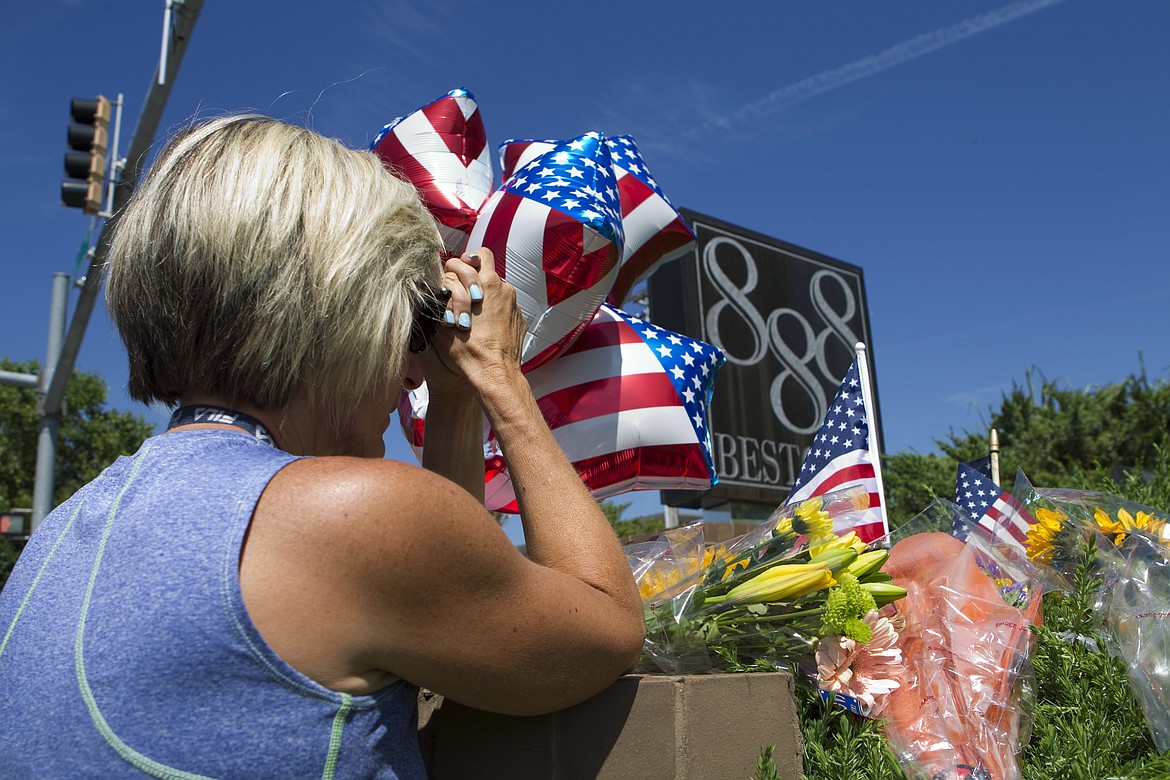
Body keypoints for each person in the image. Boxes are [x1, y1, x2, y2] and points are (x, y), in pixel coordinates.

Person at [0, 115, 645, 778]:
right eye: (414, 325)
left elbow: (447, 616)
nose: (414, 371)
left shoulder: (62, 533)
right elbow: (606, 627)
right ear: (346, 307)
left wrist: (454, 399)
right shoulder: (348, 518)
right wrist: (502, 380)